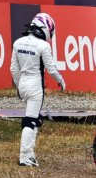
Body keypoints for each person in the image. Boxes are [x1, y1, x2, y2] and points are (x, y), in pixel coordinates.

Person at [10, 12, 66, 168]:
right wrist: (61, 81)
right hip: (35, 85)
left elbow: (14, 69)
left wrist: (18, 86)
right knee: (31, 120)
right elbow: (51, 68)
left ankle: (30, 154)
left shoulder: (18, 42)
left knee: (34, 118)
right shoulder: (43, 46)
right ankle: (25, 156)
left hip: (23, 83)